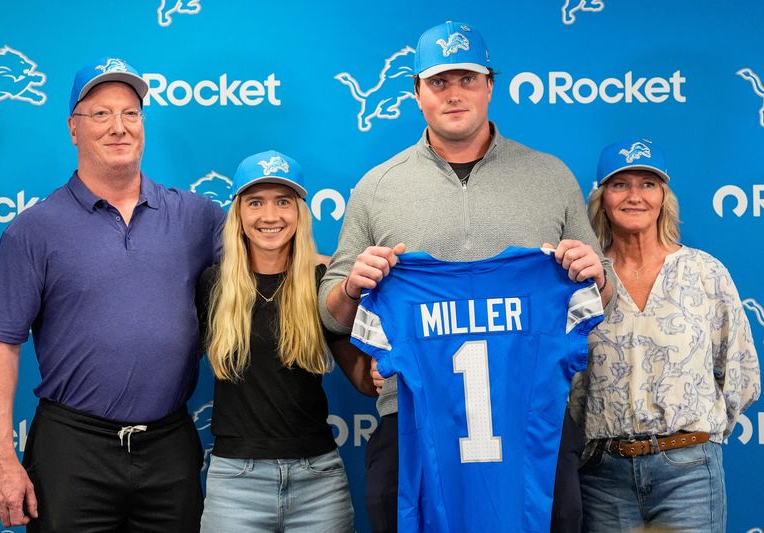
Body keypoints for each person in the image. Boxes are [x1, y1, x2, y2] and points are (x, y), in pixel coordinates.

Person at [319, 20, 614, 533]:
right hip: (412, 421)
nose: (454, 94)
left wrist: (596, 275)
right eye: (438, 82)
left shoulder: (550, 175)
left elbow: (600, 297)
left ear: (490, 87)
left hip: (531, 422)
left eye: (467, 80)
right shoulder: (377, 187)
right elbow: (332, 311)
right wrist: (351, 287)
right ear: (416, 93)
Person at [0, 58, 225, 531]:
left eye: (130, 114)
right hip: (73, 449)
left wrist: (341, 274)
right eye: (101, 114)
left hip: (169, 445)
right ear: (74, 128)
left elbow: (274, 266)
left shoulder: (197, 216)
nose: (119, 127)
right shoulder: (34, 230)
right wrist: (1, 460)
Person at [570, 137, 761, 533]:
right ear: (602, 197)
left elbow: (740, 372)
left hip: (688, 470)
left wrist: (699, 436)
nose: (634, 196)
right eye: (620, 184)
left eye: (648, 184)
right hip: (602, 475)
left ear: (663, 197)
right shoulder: (583, 282)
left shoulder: (704, 272)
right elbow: (570, 384)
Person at [198, 150, 374, 533]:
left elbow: (363, 380)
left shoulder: (322, 281)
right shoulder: (213, 285)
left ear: (299, 211)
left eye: (283, 202)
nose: (270, 216)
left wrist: (383, 371)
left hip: (318, 481)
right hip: (234, 482)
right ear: (239, 214)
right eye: (255, 202)